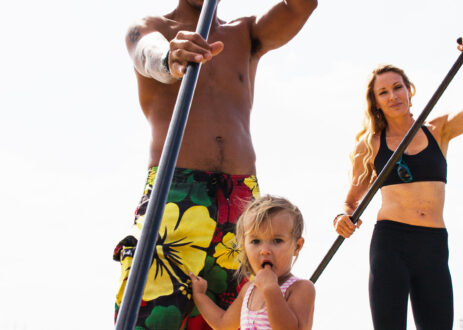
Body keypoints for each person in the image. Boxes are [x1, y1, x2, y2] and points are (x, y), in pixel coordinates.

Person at [112, 0, 317, 328]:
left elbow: (301, 7)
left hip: (241, 198)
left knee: (242, 317)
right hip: (176, 190)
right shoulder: (151, 28)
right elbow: (148, 54)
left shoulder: (245, 32)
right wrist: (170, 57)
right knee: (150, 311)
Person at [333, 33, 463, 330]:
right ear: (376, 102)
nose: (393, 96)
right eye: (384, 93)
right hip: (391, 243)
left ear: (410, 91)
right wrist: (343, 216)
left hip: (433, 244)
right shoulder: (369, 145)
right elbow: (351, 200)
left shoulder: (437, 130)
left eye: (397, 88)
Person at [190, 195, 315, 330]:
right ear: (244, 246)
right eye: (255, 241)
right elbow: (223, 324)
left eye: (277, 241)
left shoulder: (301, 288)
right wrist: (200, 296)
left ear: (297, 247)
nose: (265, 251)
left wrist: (271, 290)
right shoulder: (248, 290)